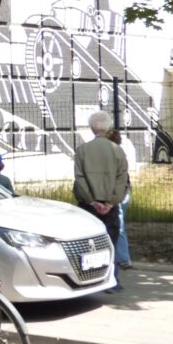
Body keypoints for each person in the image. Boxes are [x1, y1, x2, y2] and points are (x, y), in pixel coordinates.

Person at [73, 110, 128, 290]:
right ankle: (112, 280)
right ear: (108, 126)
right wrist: (111, 202)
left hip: (89, 205)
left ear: (91, 127)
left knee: (88, 244)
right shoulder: (117, 150)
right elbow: (122, 180)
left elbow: (79, 179)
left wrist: (92, 201)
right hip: (110, 205)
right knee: (110, 242)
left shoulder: (82, 150)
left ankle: (89, 280)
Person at [105, 129, 133, 269]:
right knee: (119, 226)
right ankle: (122, 257)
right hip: (125, 192)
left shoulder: (111, 155)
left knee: (118, 226)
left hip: (116, 195)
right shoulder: (121, 153)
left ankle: (121, 258)